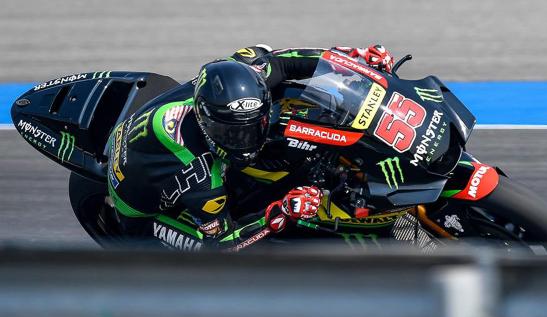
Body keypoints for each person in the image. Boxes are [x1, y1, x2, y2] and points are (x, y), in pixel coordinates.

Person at [107, 44, 394, 250]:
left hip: (149, 139)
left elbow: (282, 61)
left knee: (260, 50)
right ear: (206, 122)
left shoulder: (242, 77)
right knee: (237, 261)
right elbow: (222, 244)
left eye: (252, 127)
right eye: (232, 133)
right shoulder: (201, 177)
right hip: (143, 214)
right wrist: (282, 212)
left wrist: (352, 61)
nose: (245, 141)